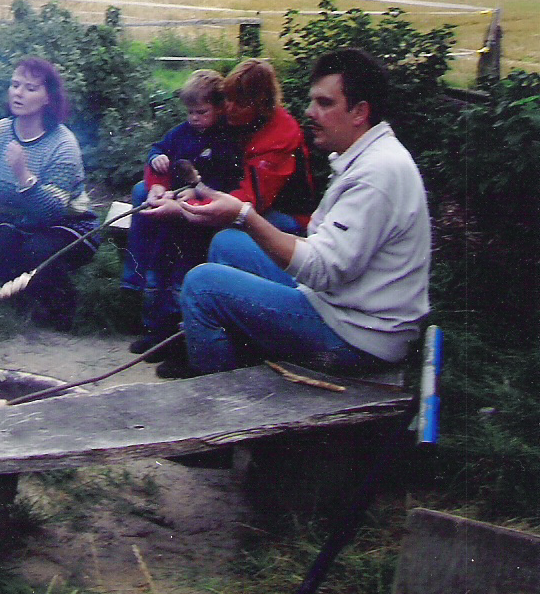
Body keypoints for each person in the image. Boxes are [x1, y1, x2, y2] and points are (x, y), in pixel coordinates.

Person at [166, 48, 430, 379]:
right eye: (312, 101)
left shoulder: (378, 173)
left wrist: (244, 215)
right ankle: (229, 353)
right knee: (227, 244)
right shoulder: (365, 155)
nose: (310, 112)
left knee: (201, 286)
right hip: (339, 303)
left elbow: (322, 269)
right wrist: (222, 205)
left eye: (325, 103)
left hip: (358, 336)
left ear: (360, 111)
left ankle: (225, 407)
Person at [0, 57, 101, 330]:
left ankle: (60, 309)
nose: (18, 93)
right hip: (21, 221)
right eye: (15, 85)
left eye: (30, 88)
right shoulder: (1, 131)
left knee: (36, 250)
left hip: (69, 225)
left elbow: (52, 211)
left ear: (48, 99)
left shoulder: (62, 144)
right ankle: (21, 303)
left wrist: (23, 175)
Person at [125, 70, 241, 353]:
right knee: (157, 273)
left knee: (181, 280)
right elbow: (157, 149)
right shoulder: (181, 133)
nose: (194, 118)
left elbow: (227, 180)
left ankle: (176, 340)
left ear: (219, 108)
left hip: (197, 226)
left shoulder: (226, 141)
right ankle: (153, 331)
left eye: (201, 112)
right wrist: (158, 159)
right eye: (190, 112)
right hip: (170, 218)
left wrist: (200, 190)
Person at [219, 58, 315, 234]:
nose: (229, 108)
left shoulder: (280, 136)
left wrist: (192, 204)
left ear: (261, 104)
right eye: (227, 98)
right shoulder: (237, 117)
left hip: (288, 218)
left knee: (221, 231)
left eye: (240, 103)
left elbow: (251, 201)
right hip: (249, 200)